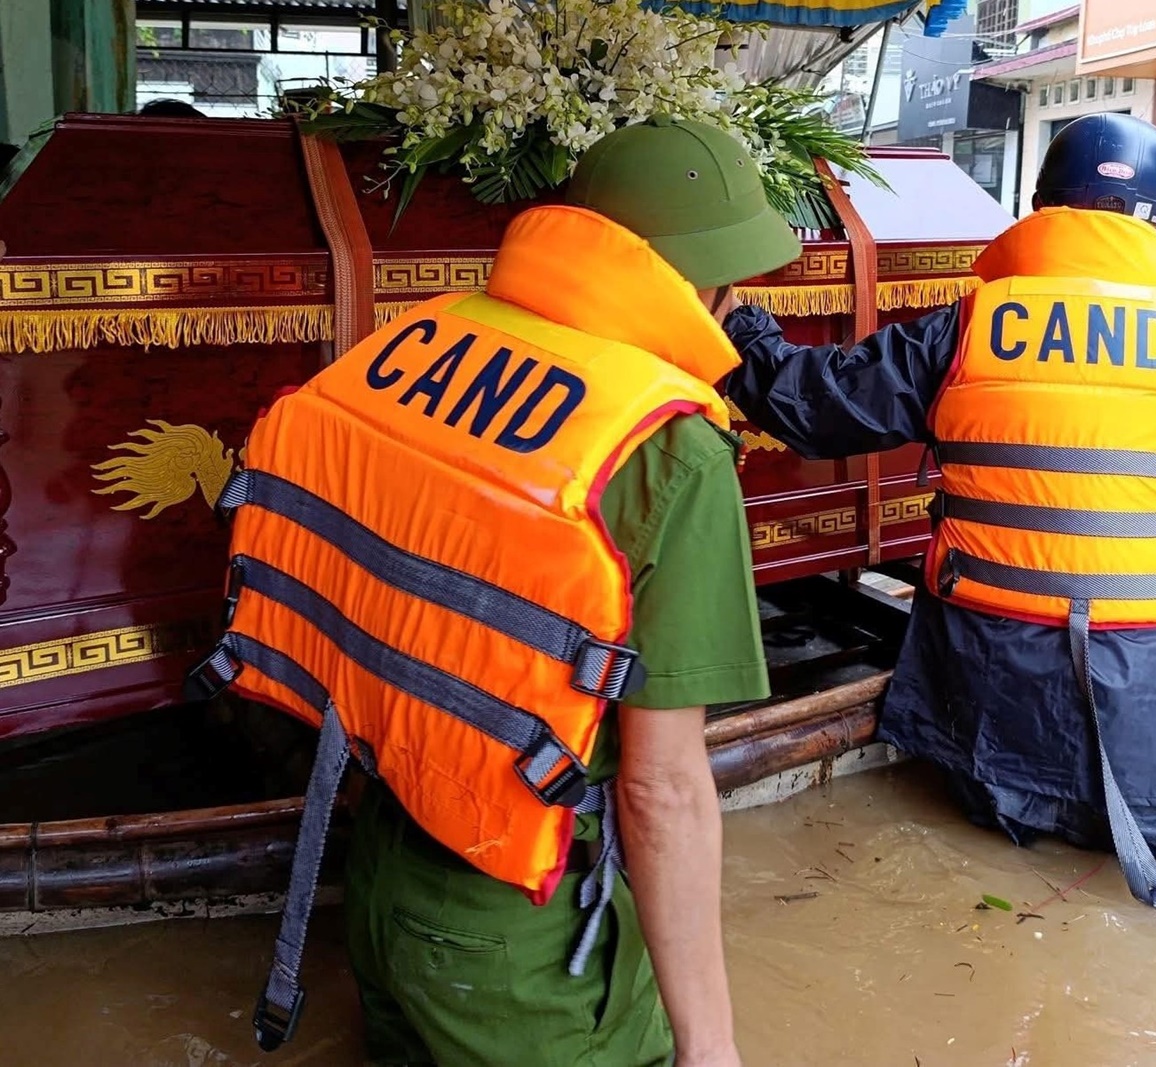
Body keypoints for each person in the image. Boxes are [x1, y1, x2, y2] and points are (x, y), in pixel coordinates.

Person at [185, 117, 801, 1065]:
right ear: (701, 286)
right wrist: (711, 1046)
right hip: (523, 936)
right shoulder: (666, 447)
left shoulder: (419, 340)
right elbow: (662, 789)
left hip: (379, 867)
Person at [720, 113, 1156, 918]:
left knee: (989, 883)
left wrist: (733, 315)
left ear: (1040, 205)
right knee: (1145, 887)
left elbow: (814, 405)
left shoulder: (969, 325)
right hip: (1151, 695)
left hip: (992, 676)